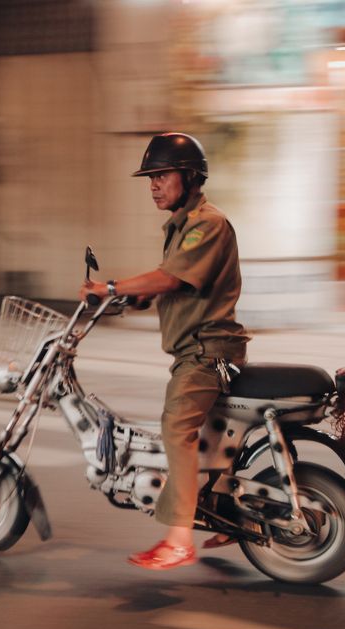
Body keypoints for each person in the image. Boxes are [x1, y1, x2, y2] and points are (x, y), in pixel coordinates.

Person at [79, 132, 250, 570]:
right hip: (196, 349)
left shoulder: (206, 224)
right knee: (213, 445)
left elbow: (171, 279)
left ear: (190, 176)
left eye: (161, 175)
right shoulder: (180, 228)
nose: (153, 184)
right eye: (150, 177)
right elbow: (173, 285)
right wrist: (133, 297)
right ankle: (228, 517)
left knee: (177, 428)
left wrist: (112, 286)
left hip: (205, 354)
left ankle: (178, 539)